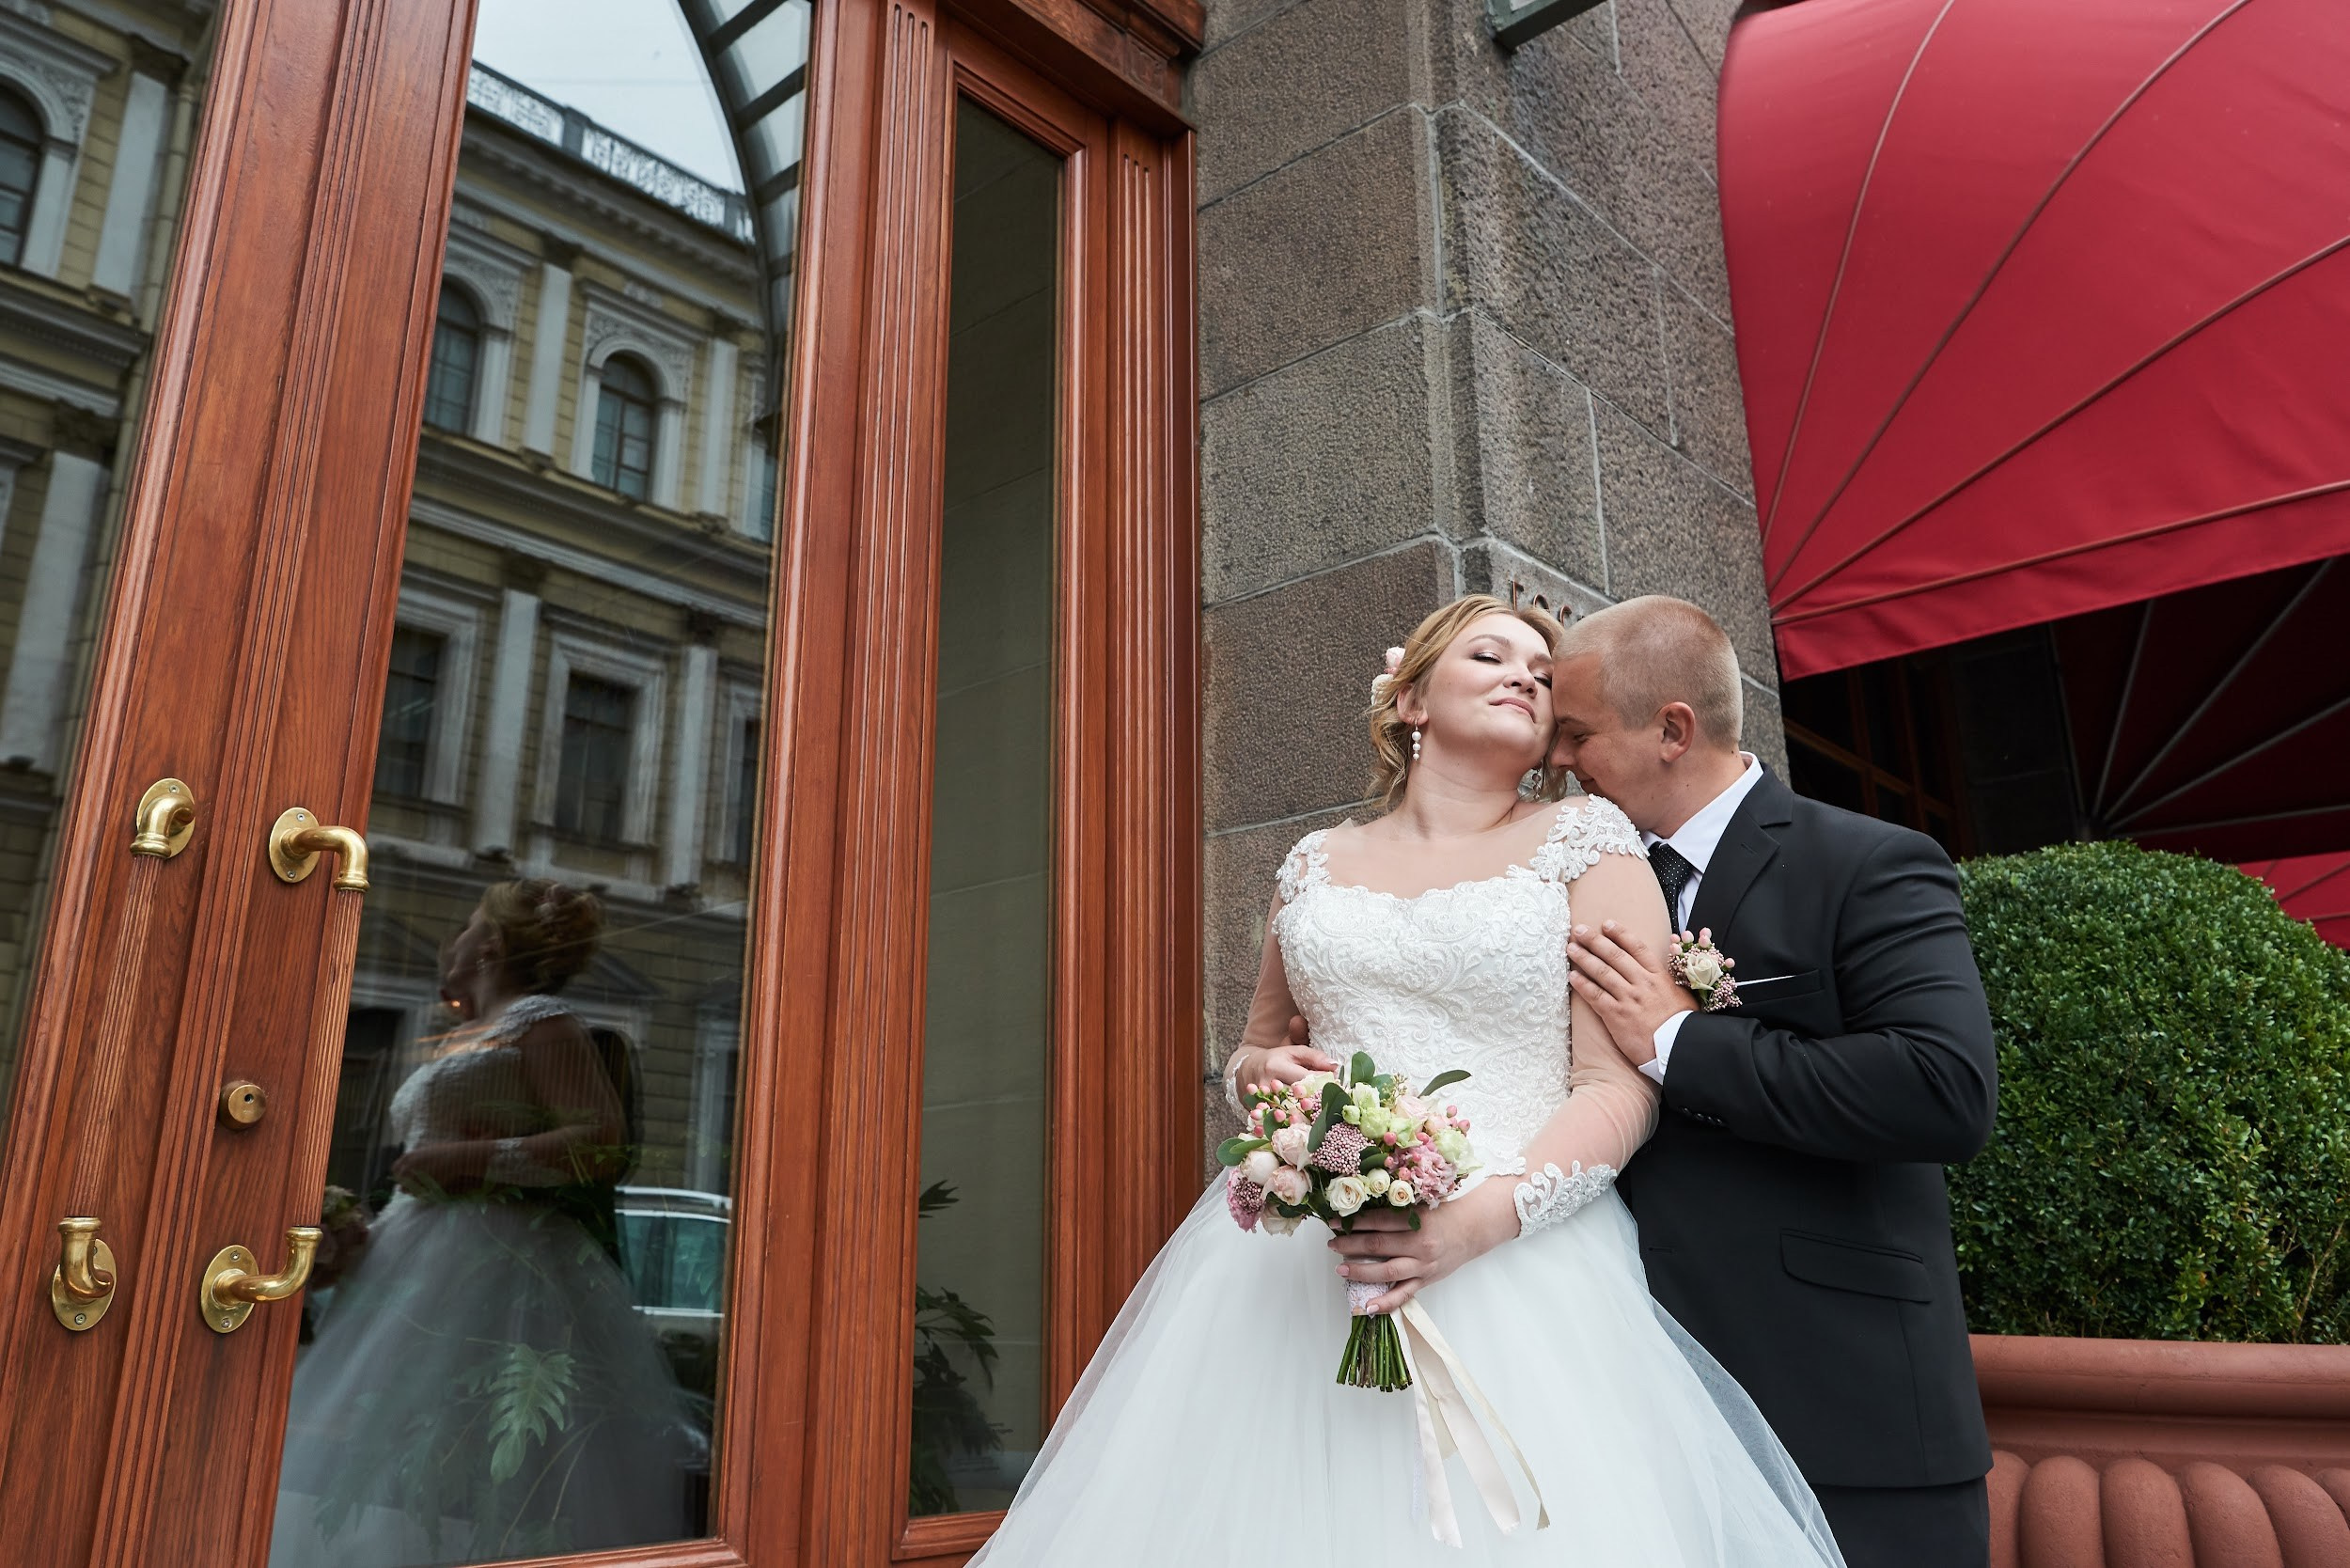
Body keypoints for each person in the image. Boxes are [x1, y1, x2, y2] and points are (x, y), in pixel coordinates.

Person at [969, 594, 1847, 1564]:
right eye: (1489, 654)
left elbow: (1620, 1089)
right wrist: (1263, 1078)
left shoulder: (1589, 846)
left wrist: (1471, 1224)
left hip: (1521, 1258)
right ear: (1411, 701)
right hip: (1301, 1264)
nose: (1523, 674)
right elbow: (1254, 1051)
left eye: (1540, 672)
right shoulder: (1312, 864)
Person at [1552, 596, 1998, 1568]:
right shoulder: (1570, 886)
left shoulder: (1866, 863)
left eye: (1576, 733)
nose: (1559, 762)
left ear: (1672, 729)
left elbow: (1943, 1086)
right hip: (1637, 1411)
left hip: (1845, 1409)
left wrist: (1680, 1041)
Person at [271, 879, 697, 1566]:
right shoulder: (467, 1033)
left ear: (490, 945)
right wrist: (357, 1236)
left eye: (469, 926)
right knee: (380, 1443)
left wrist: (468, 1158)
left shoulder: (541, 1022)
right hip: (417, 1255)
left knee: (471, 1449)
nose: (457, 939)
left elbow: (599, 1140)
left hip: (496, 1265)